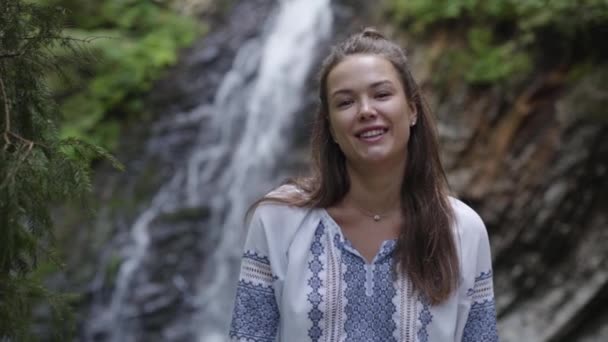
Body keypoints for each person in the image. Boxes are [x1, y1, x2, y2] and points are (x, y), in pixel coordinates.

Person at [229, 28, 498, 342]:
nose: (367, 111)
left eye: (382, 95)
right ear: (330, 126)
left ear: (412, 110)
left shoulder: (463, 230)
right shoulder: (278, 220)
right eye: (345, 102)